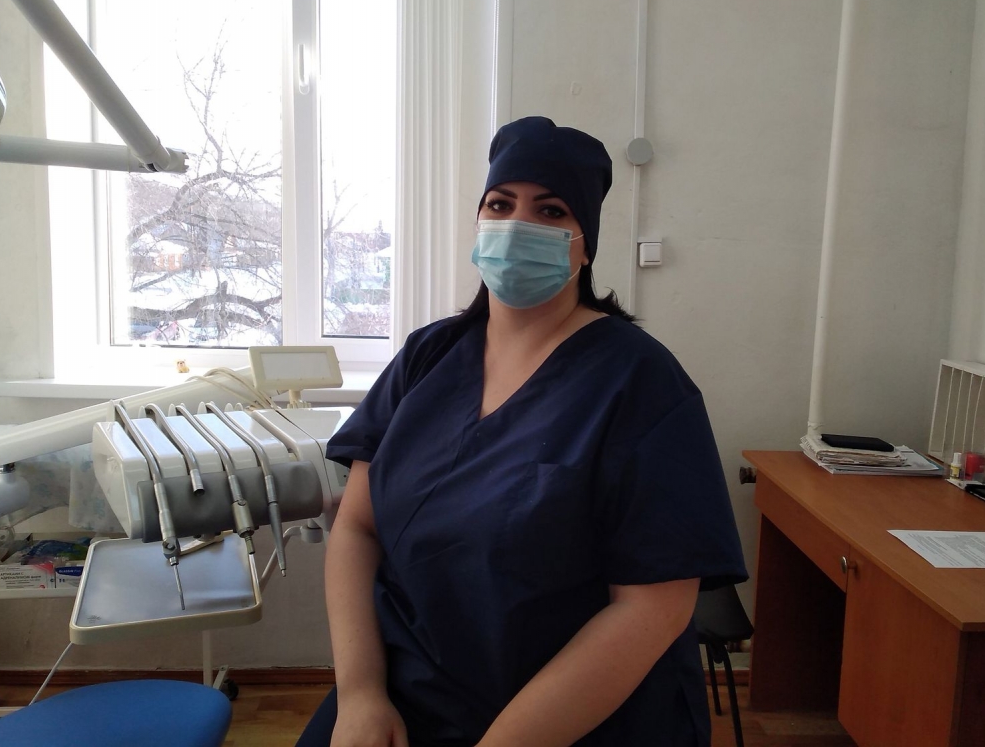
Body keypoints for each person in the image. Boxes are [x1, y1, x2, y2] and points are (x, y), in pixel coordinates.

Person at [297, 116, 747, 747]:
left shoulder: (640, 384)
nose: (517, 226)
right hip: (405, 693)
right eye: (500, 204)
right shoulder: (428, 357)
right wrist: (361, 693)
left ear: (584, 246)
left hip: (576, 718)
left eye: (550, 210)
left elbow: (654, 607)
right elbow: (357, 526)